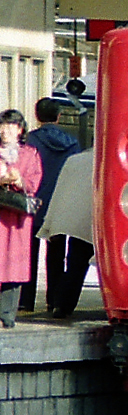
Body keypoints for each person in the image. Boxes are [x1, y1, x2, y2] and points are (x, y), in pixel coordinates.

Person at [21, 98, 79, 313]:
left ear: (37, 116)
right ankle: (53, 300)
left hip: (33, 203)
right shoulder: (72, 143)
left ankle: (25, 301)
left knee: (28, 253)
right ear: (59, 116)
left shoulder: (29, 141)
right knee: (57, 255)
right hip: (60, 204)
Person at [36, 148, 93, 318]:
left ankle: (61, 304)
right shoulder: (113, 159)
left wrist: (52, 221)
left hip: (77, 221)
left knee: (76, 262)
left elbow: (60, 192)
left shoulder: (74, 161)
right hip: (105, 220)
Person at [0, 109, 42, 327]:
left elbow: (33, 184)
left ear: (20, 130)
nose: (6, 130)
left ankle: (6, 316)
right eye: (3, 126)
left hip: (17, 219)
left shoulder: (30, 154)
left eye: (11, 126)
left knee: (13, 266)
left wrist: (17, 180)